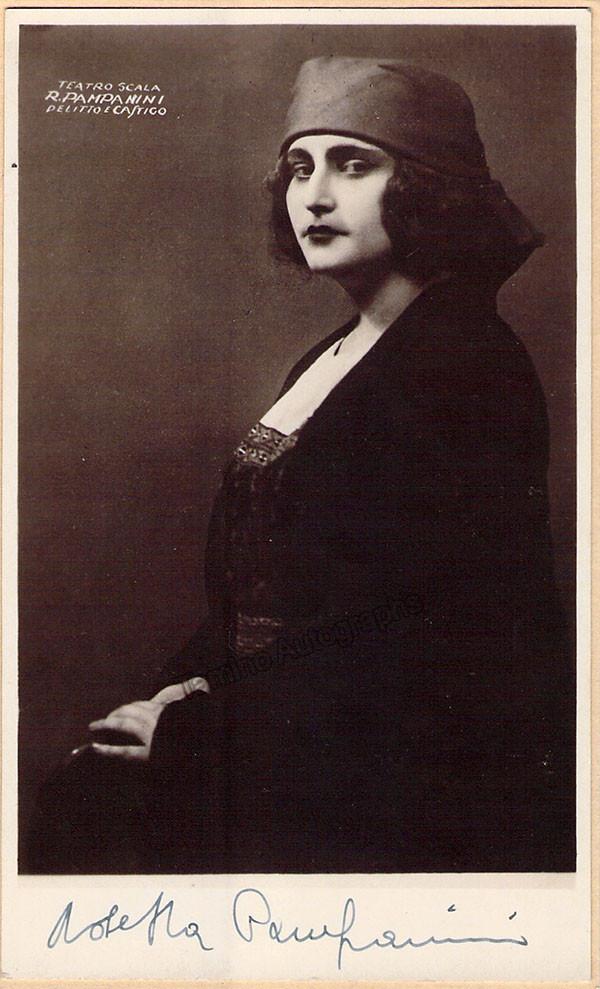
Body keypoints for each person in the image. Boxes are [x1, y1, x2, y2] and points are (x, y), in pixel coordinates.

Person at [32, 57, 575, 873]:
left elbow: (421, 640)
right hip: (282, 724)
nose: (314, 196)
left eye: (353, 164)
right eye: (298, 166)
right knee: (80, 800)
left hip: (391, 776)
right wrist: (183, 687)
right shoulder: (335, 355)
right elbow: (271, 588)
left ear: (426, 188)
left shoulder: (464, 363)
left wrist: (195, 729)